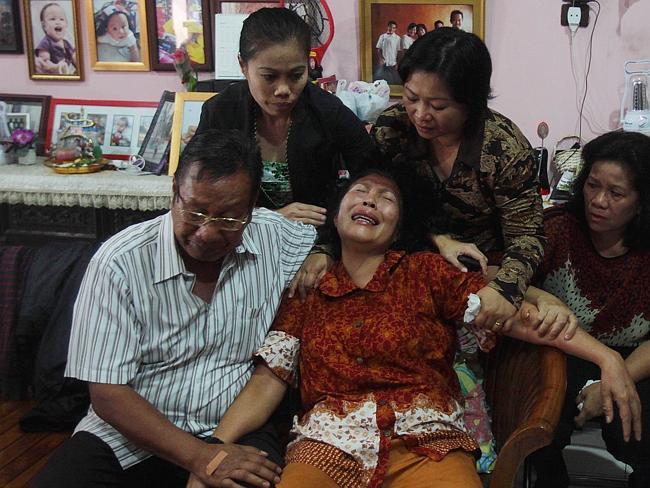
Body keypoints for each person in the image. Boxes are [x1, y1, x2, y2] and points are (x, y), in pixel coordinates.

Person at [186, 166, 640, 488]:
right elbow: (268, 382)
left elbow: (512, 317)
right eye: (360, 192)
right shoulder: (309, 287)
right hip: (326, 444)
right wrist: (211, 451)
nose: (369, 200)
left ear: (398, 224)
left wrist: (605, 357)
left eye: (385, 199)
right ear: (338, 211)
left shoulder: (425, 273)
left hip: (429, 440)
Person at [32, 129, 317, 488]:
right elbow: (107, 394)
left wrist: (323, 255)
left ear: (251, 208)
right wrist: (203, 458)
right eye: (195, 211)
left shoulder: (273, 237)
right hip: (128, 433)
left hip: (233, 428)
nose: (207, 233)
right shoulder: (120, 262)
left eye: (230, 218)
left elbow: (322, 238)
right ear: (174, 194)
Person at [369, 27, 545, 332]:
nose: (420, 114)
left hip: (479, 272)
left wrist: (503, 288)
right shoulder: (392, 128)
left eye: (438, 106)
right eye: (411, 97)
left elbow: (527, 236)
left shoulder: (505, 150)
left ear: (471, 104)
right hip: (407, 263)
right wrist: (438, 238)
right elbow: (383, 201)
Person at [530, 131, 650, 488]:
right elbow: (505, 282)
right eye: (592, 185)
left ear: (641, 202)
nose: (598, 201)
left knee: (636, 429)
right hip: (556, 349)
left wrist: (612, 380)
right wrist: (540, 297)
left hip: (632, 358)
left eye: (615, 193)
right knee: (540, 425)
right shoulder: (557, 229)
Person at [196, 8, 372, 226]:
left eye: (296, 75)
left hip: (315, 239)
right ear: (243, 66)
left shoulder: (328, 112)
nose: (283, 89)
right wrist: (268, 218)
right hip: (237, 237)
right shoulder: (220, 112)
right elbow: (196, 192)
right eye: (269, 77)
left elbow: (375, 177)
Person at [34, 2, 76, 75]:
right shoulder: (46, 42)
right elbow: (45, 63)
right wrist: (56, 67)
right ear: (44, 26)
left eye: (61, 19)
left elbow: (74, 57)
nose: (58, 22)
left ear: (66, 24)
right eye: (52, 19)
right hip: (54, 76)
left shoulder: (66, 43)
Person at [374, 20, 401, 85]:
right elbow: (378, 48)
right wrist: (380, 59)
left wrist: (397, 63)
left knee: (394, 81)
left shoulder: (397, 38)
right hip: (384, 62)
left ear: (395, 29)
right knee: (379, 79)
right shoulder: (382, 36)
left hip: (393, 63)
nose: (391, 29)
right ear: (388, 27)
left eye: (394, 28)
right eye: (390, 27)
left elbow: (398, 51)